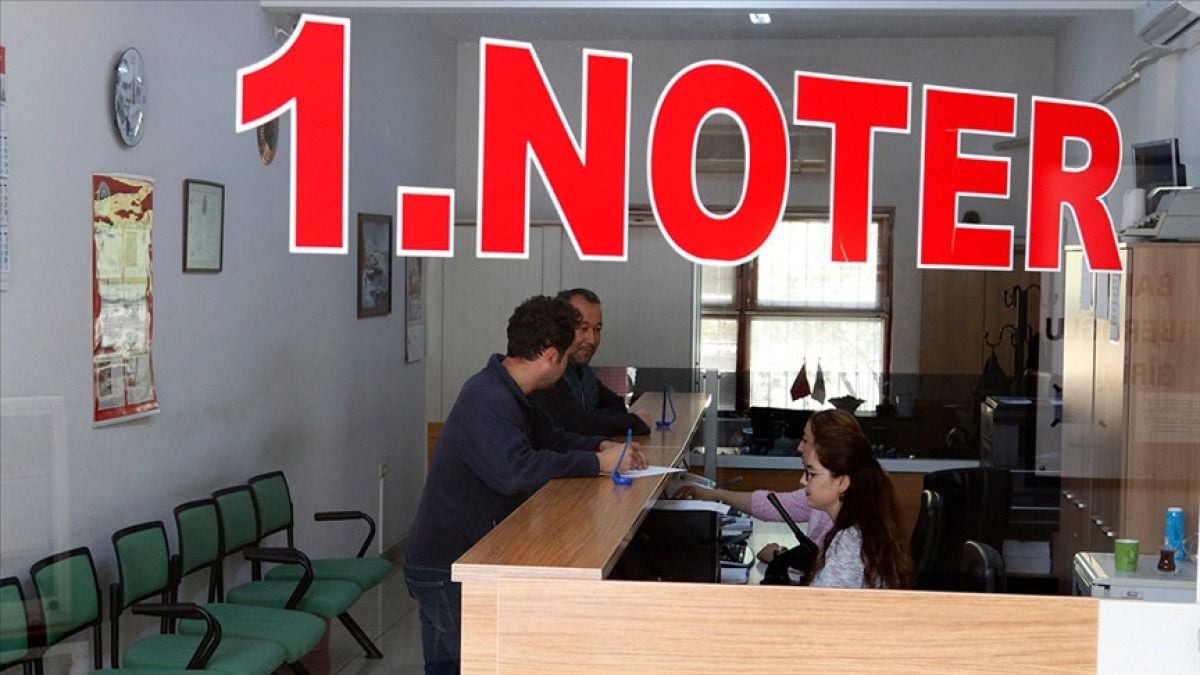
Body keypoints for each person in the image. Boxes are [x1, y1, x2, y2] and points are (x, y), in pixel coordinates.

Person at [404, 295, 646, 674]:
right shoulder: (487, 397)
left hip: (472, 554)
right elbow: (515, 471)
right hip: (446, 564)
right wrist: (596, 463)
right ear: (551, 356)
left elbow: (554, 438)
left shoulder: (514, 392)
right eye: (566, 357)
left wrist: (601, 446)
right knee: (457, 666)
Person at [672, 410, 860, 564]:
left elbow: (827, 577)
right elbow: (778, 504)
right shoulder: (827, 494)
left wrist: (781, 557)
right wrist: (714, 494)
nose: (799, 448)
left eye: (805, 440)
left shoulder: (851, 535)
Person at [530, 288, 652, 436]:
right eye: (583, 328)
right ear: (560, 328)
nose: (592, 340)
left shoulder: (582, 371)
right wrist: (633, 422)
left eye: (597, 329)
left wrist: (593, 420)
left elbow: (616, 406)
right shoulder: (548, 371)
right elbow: (577, 425)